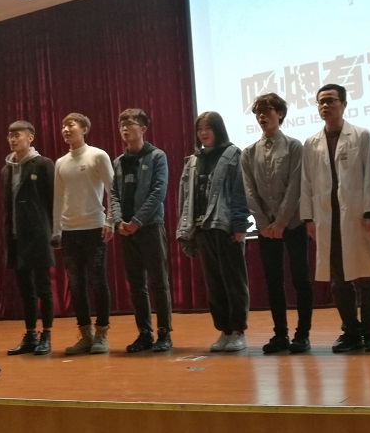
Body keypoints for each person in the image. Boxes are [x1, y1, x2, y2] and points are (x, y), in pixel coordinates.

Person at [301, 84, 370, 353]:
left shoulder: (361, 136)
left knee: (367, 277)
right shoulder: (311, 143)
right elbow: (306, 183)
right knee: (338, 281)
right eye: (320, 102)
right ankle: (350, 331)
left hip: (358, 217)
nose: (325, 106)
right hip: (327, 220)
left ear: (344, 104)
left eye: (330, 101)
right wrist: (308, 218)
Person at [241, 93, 314, 354]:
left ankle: (302, 335)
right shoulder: (248, 152)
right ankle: (280, 334)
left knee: (300, 278)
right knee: (273, 281)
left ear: (280, 114)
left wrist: (281, 222)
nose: (262, 116)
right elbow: (249, 191)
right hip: (265, 228)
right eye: (258, 112)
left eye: (268, 111)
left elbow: (296, 187)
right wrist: (263, 223)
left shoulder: (294, 146)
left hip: (292, 224)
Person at [177, 111, 251, 352]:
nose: (203, 133)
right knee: (214, 282)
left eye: (208, 128)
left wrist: (239, 225)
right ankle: (225, 330)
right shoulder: (193, 160)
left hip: (226, 227)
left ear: (218, 129)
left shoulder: (233, 155)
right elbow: (184, 196)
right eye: (200, 129)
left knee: (233, 281)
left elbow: (241, 192)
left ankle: (238, 331)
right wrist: (185, 227)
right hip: (202, 228)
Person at [110, 108, 173, 353]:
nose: (125, 129)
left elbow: (158, 192)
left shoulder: (157, 156)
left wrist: (137, 220)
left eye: (130, 124)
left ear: (143, 129)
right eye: (121, 125)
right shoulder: (118, 161)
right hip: (126, 231)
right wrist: (119, 221)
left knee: (159, 282)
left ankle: (164, 333)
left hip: (150, 227)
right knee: (136, 284)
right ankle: (144, 333)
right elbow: (113, 194)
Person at [53, 113, 115, 355]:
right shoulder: (60, 163)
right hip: (70, 231)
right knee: (76, 285)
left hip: (94, 228)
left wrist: (110, 221)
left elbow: (112, 190)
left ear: (85, 129)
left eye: (71, 125)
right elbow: (58, 198)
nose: (66, 129)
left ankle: (101, 334)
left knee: (98, 281)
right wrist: (56, 230)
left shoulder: (98, 155)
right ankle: (85, 334)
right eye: (63, 125)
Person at [2, 120, 55, 356]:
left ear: (30, 138)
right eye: (10, 136)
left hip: (39, 235)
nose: (13, 139)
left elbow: (52, 200)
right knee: (25, 290)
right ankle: (30, 334)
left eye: (17, 135)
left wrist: (55, 232)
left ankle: (46, 335)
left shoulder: (43, 164)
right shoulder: (6, 169)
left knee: (43, 287)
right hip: (15, 237)